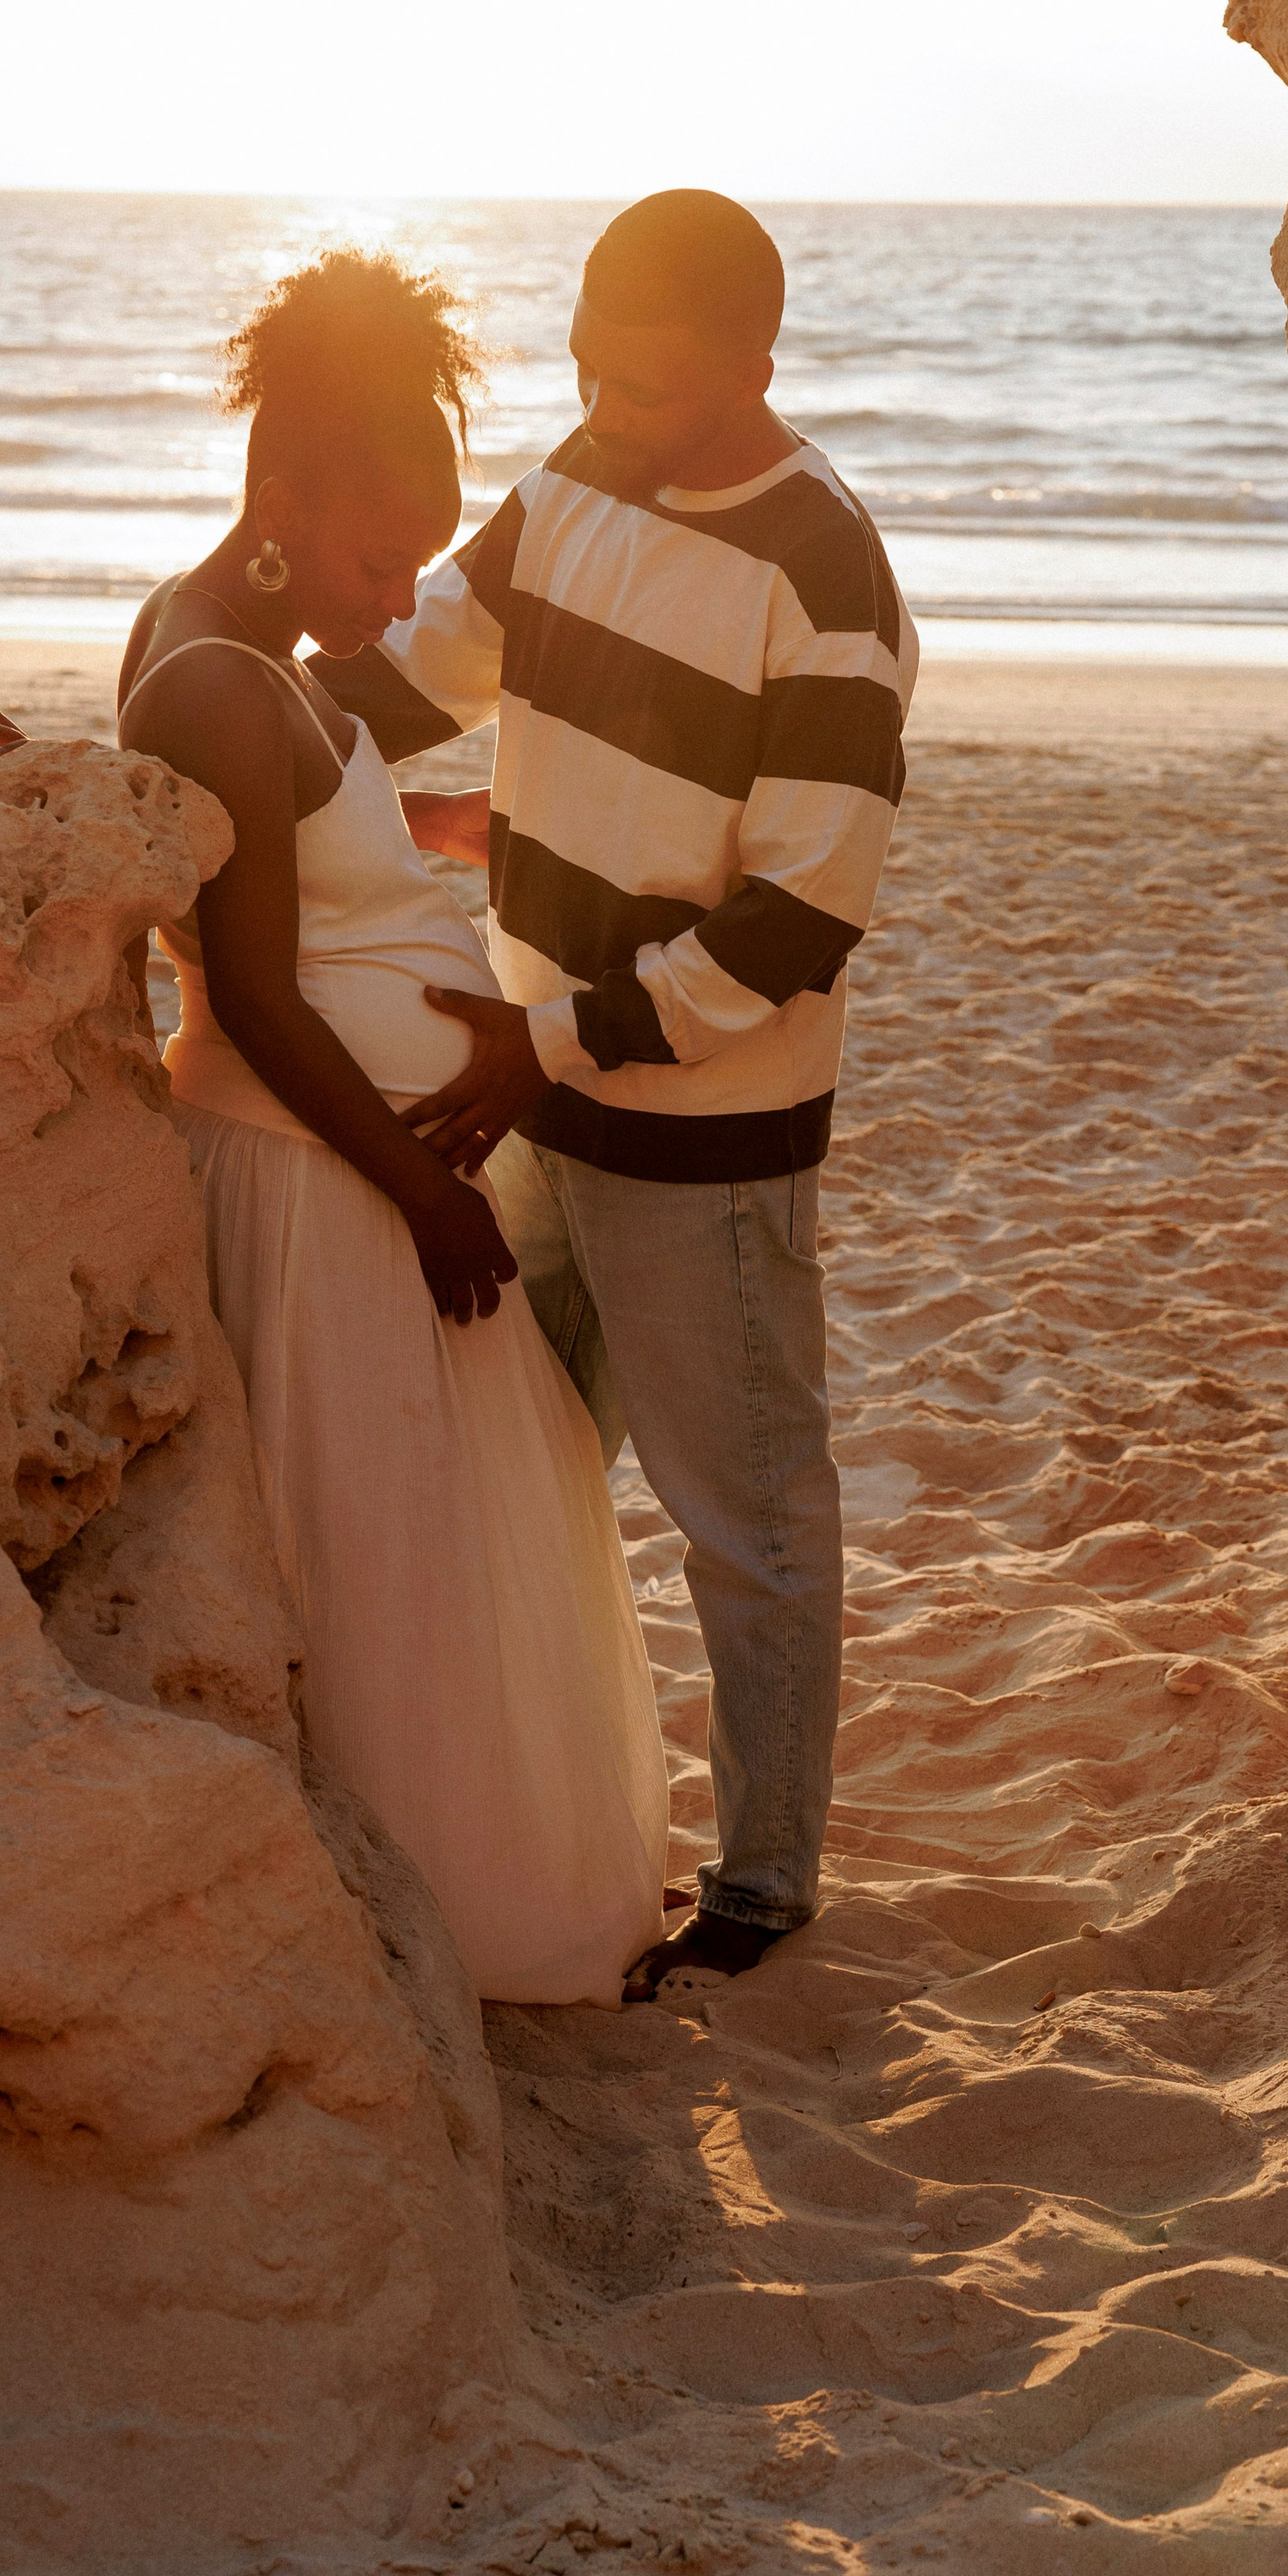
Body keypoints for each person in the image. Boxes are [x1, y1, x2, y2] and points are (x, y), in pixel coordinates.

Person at [308, 190, 917, 2003]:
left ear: (752, 360)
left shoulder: (825, 577)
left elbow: (800, 918)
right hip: (526, 1087)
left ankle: (762, 1883)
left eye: (645, 385)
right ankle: (550, 1842)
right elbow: (424, 670)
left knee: (742, 1517)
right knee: (522, 1477)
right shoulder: (577, 473)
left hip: (692, 1130)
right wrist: (219, 728)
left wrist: (550, 1039)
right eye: (588, 369)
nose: (607, 406)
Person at [113, 249, 669, 2007]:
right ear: (282, 500)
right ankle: (419, 1917)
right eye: (379, 554)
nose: (404, 587)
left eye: (426, 552)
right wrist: (424, 1196)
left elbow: (300, 828)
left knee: (413, 1552)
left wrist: (471, 836)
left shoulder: (252, 655)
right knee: (382, 1571)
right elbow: (255, 996)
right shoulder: (210, 673)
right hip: (317, 1168)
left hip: (353, 1156)